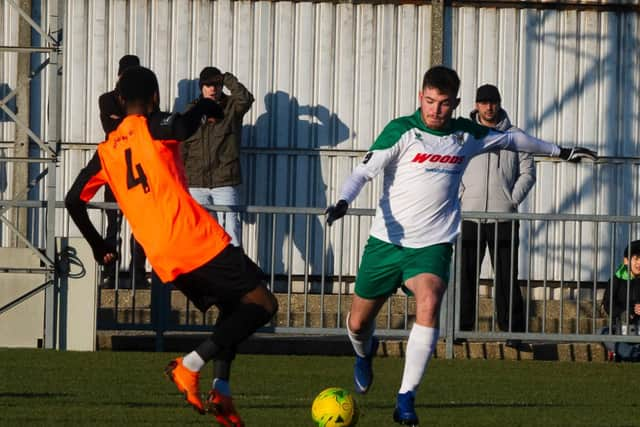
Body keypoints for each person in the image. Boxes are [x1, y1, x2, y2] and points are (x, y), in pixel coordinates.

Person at [325, 65, 596, 425]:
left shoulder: (467, 135)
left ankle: (406, 399)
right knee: (359, 323)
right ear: (421, 97)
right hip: (386, 243)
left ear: (455, 104)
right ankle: (364, 351)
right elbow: (363, 171)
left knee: (430, 301)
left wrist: (560, 151)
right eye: (429, 101)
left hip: (433, 245)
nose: (435, 110)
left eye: (443, 104)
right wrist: (343, 200)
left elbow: (514, 139)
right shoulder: (402, 131)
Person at [66, 66, 277, 427]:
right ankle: (189, 365)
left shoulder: (106, 152)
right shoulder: (147, 125)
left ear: (119, 100)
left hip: (163, 255)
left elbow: (73, 200)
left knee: (234, 306)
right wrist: (203, 110)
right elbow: (178, 126)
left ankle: (221, 391)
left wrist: (99, 244)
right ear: (155, 99)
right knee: (263, 303)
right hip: (192, 238)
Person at [459, 84, 533, 347]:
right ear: (476, 105)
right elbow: (452, 167)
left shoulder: (516, 136)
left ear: (499, 103)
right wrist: (462, 196)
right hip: (469, 216)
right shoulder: (464, 135)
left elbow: (527, 172)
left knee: (506, 276)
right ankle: (459, 330)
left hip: (505, 218)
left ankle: (513, 333)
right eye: (484, 102)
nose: (489, 107)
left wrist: (512, 200)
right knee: (465, 274)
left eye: (493, 102)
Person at [181, 66, 254, 247]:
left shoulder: (232, 108)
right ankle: (206, 272)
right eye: (208, 85)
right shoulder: (192, 110)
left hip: (225, 181)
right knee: (201, 231)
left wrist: (226, 78)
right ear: (201, 87)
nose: (212, 89)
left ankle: (235, 271)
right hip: (196, 182)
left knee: (231, 228)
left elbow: (246, 99)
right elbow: (183, 147)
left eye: (216, 85)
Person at [98, 54, 148, 288]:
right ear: (119, 76)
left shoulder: (147, 101)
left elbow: (145, 129)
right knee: (113, 225)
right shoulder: (107, 99)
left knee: (140, 225)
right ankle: (110, 272)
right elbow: (111, 129)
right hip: (116, 169)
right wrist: (131, 122)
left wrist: (123, 122)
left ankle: (138, 273)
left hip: (138, 170)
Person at [602, 240, 640, 362]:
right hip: (620, 326)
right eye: (636, 259)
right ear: (626, 261)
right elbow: (608, 305)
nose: (639, 263)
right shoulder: (616, 279)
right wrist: (627, 310)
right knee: (602, 332)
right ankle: (632, 354)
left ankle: (628, 353)